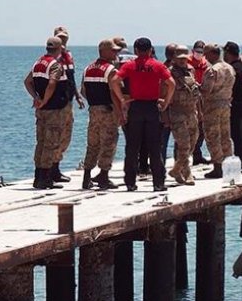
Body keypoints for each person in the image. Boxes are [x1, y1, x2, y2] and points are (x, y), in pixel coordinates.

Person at [109, 37, 175, 191]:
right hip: (152, 107)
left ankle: (130, 183)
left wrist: (122, 99)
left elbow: (114, 81)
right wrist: (166, 101)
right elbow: (171, 83)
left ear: (136, 50)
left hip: (136, 107)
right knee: (154, 147)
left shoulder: (130, 65)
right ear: (151, 49)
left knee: (132, 147)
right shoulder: (157, 65)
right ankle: (158, 183)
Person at [24, 36, 71, 189]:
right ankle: (45, 178)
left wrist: (36, 97)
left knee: (41, 142)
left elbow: (27, 81)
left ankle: (38, 176)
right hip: (54, 109)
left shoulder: (38, 63)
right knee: (51, 144)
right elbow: (52, 83)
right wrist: (44, 99)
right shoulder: (55, 65)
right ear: (59, 49)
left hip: (41, 110)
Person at [80, 38, 124, 189]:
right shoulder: (110, 70)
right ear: (104, 51)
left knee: (92, 143)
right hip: (108, 111)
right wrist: (121, 113)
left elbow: (83, 91)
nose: (116, 53)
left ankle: (86, 177)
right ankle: (104, 176)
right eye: (113, 50)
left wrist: (94, 103)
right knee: (109, 143)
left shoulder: (88, 68)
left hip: (93, 110)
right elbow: (114, 93)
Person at [51, 27, 85, 182]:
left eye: (65, 38)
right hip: (56, 103)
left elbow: (71, 78)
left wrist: (77, 95)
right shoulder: (52, 58)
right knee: (54, 136)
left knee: (66, 135)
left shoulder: (69, 56)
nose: (63, 41)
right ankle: (50, 169)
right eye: (60, 38)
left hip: (68, 101)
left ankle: (56, 166)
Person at [166, 45, 201, 185]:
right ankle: (187, 173)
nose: (182, 61)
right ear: (174, 58)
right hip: (177, 112)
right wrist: (164, 115)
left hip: (192, 112)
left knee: (193, 142)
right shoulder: (169, 73)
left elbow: (195, 92)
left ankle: (176, 169)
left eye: (185, 59)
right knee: (184, 144)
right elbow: (164, 94)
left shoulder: (191, 70)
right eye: (179, 59)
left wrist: (200, 111)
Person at [199, 43, 235, 178]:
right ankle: (228, 163)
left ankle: (218, 167)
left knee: (213, 136)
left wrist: (196, 87)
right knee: (226, 135)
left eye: (206, 53)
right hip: (226, 104)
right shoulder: (230, 68)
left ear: (213, 54)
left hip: (212, 106)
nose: (205, 57)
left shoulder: (212, 70)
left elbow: (206, 91)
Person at [223, 41, 242, 168]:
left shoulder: (234, 69)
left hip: (236, 104)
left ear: (229, 53)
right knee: (239, 134)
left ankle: (241, 161)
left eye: (225, 53)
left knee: (236, 135)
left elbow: (232, 88)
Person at [190, 40, 210, 165]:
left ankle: (197, 154)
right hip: (191, 96)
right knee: (192, 127)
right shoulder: (187, 61)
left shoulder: (206, 63)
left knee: (202, 128)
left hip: (203, 97)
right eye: (197, 51)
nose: (199, 53)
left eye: (201, 51)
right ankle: (190, 154)